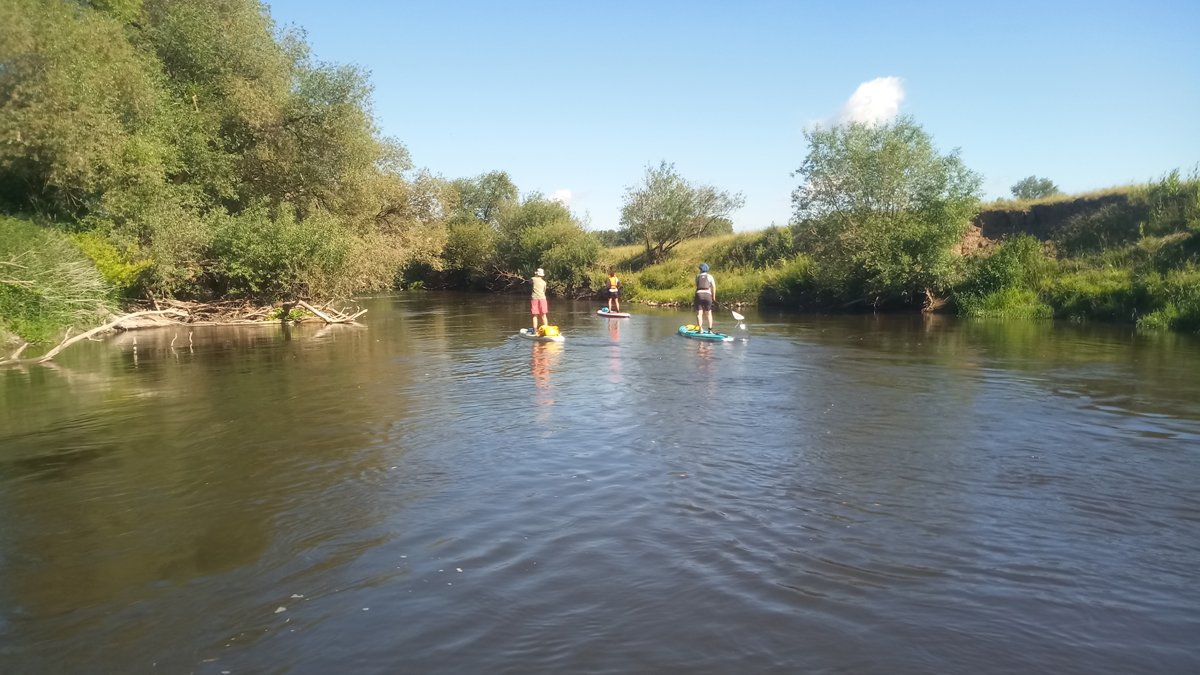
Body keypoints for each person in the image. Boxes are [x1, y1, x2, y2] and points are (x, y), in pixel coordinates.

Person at [694, 262, 716, 332]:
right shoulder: (710, 276)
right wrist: (713, 296)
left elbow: (697, 286)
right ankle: (710, 330)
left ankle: (700, 329)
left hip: (699, 294)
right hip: (707, 295)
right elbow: (713, 287)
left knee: (699, 313)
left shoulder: (697, 276)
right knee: (709, 313)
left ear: (700, 269)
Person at [530, 267, 549, 332]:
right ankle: (546, 329)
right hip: (543, 298)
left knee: (535, 315)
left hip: (534, 298)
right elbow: (544, 291)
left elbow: (529, 282)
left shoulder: (533, 279)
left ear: (536, 274)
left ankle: (535, 330)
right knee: (544, 315)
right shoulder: (544, 282)